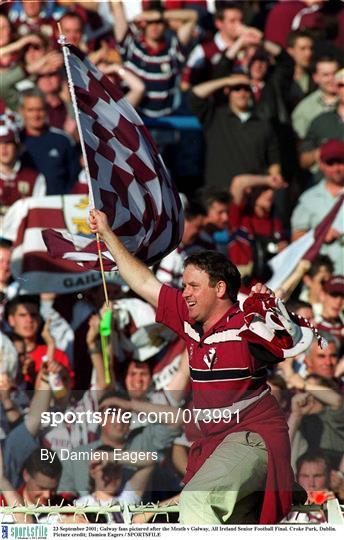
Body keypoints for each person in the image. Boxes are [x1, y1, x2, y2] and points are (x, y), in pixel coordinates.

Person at [89, 208, 313, 524]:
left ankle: (276, 483)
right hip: (218, 449)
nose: (186, 293)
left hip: (252, 439)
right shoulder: (191, 321)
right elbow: (143, 282)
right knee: (223, 523)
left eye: (194, 286)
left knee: (195, 505)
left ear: (220, 289)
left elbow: (293, 339)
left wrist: (271, 309)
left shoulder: (248, 325)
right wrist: (107, 234)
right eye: (184, 286)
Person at [189, 74, 281, 191]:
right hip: (219, 197)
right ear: (228, 91)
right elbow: (194, 95)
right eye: (236, 89)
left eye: (246, 89)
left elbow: (274, 160)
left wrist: (271, 188)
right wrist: (227, 81)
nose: (242, 93)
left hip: (253, 195)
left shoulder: (263, 123)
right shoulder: (215, 116)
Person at [111, 1, 197, 118]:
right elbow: (117, 7)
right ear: (144, 23)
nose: (154, 26)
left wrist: (158, 15)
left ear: (166, 24)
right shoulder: (131, 46)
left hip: (167, 122)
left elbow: (193, 16)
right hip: (137, 120)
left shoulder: (173, 48)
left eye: (159, 22)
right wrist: (146, 16)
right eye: (150, 22)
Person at [291, 139, 344, 274]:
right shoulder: (308, 198)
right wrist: (319, 235)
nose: (336, 168)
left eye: (340, 162)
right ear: (321, 164)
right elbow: (296, 238)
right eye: (330, 163)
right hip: (319, 281)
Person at [19, 89, 80, 195]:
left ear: (47, 110)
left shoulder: (62, 140)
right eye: (31, 110)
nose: (36, 115)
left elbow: (75, 178)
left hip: (59, 205)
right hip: (24, 206)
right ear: (22, 111)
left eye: (40, 109)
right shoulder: (15, 141)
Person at [292, 56, 339, 140]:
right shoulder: (305, 109)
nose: (332, 79)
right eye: (326, 75)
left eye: (335, 73)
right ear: (316, 78)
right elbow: (302, 142)